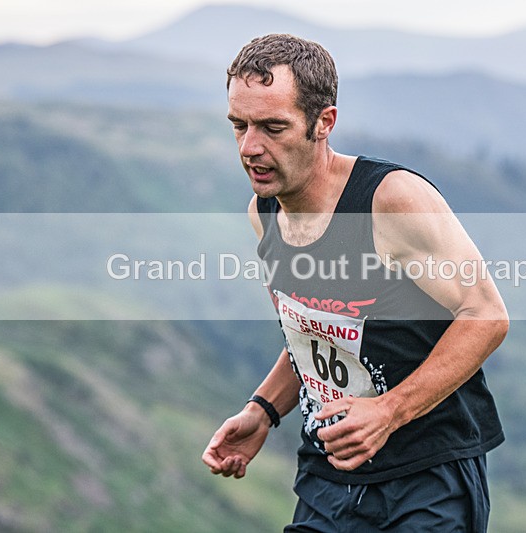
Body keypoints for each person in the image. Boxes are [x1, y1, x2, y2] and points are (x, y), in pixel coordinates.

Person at [202, 33, 509, 532]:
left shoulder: (389, 199)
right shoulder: (264, 212)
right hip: (328, 473)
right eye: (240, 125)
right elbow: (313, 332)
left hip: (427, 479)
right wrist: (262, 410)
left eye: (273, 127)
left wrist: (388, 411)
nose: (250, 147)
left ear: (324, 122)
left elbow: (486, 315)